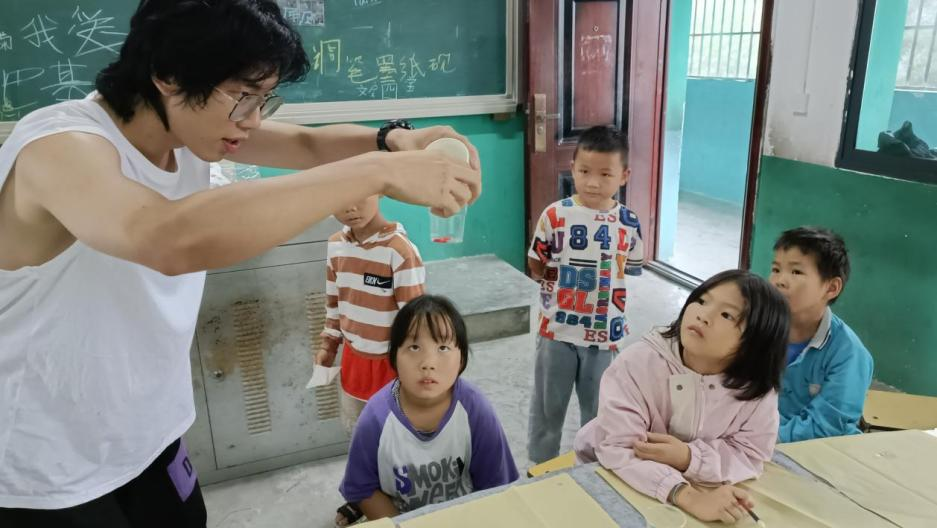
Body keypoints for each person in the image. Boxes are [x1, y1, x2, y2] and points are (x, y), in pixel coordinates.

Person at [0, 0, 480, 524]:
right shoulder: (58, 145)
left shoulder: (188, 131)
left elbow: (306, 144)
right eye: (243, 97)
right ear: (168, 74)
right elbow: (165, 237)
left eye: (263, 99)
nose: (252, 121)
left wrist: (395, 140)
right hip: (45, 463)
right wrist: (376, 173)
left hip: (148, 431)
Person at [575, 270, 789, 524]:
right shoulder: (638, 363)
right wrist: (689, 497)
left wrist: (689, 458)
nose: (703, 315)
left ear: (756, 343)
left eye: (726, 315)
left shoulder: (756, 390)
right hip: (611, 476)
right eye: (702, 300)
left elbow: (751, 453)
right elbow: (619, 448)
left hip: (699, 487)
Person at [338, 295, 518, 523]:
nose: (428, 363)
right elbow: (363, 488)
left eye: (443, 347)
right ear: (394, 357)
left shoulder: (475, 409)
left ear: (461, 359)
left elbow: (496, 486)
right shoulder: (375, 419)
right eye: (414, 347)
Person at [526, 125, 644, 464]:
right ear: (573, 168)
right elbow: (536, 264)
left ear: (624, 176)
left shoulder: (628, 222)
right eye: (584, 171)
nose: (593, 183)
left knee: (599, 412)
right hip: (557, 331)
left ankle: (592, 468)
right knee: (548, 408)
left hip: (604, 335)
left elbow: (630, 266)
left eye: (605, 174)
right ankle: (540, 466)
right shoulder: (555, 215)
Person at [769, 227, 873, 442]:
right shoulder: (757, 329)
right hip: (755, 442)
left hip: (814, 451)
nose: (779, 280)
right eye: (776, 269)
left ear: (831, 288)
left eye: (796, 272)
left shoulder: (849, 354)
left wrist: (757, 441)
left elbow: (826, 426)